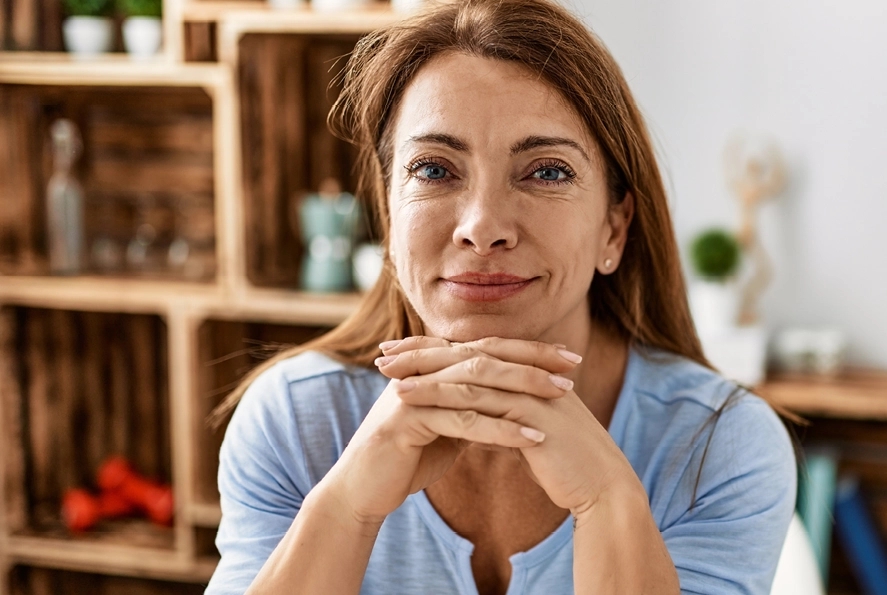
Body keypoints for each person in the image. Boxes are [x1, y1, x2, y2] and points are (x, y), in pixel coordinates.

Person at [205, 0, 796, 593]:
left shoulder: (719, 445)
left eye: (547, 171)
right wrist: (345, 507)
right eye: (434, 170)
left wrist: (609, 502)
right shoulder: (293, 423)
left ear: (613, 229)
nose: (483, 227)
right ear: (388, 216)